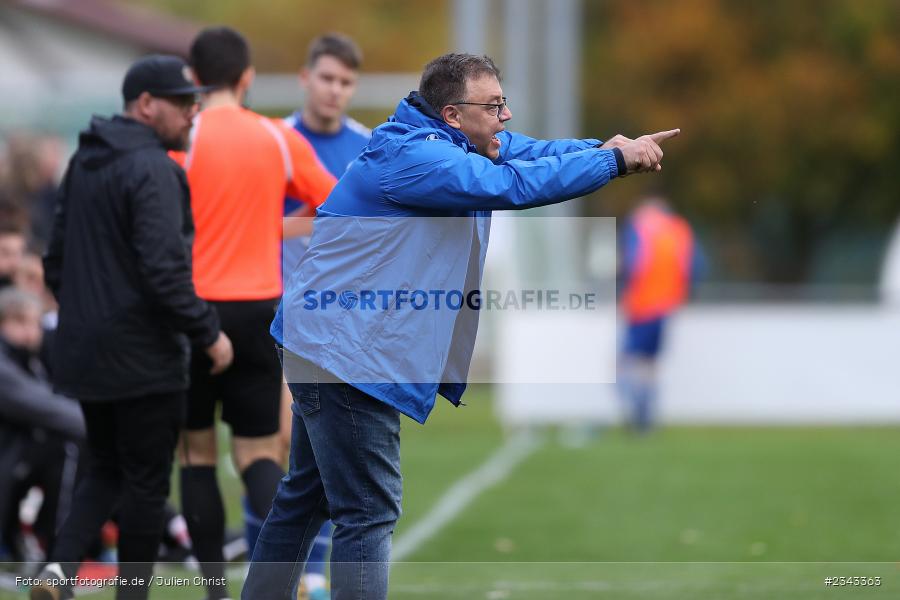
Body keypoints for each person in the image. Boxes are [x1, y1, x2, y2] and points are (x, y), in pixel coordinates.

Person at [242, 52, 679, 600]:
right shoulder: (417, 158)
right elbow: (513, 186)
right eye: (494, 105)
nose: (506, 115)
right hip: (344, 354)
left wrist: (606, 149)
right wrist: (615, 165)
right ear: (451, 113)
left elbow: (529, 154)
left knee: (306, 497)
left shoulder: (447, 142)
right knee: (368, 512)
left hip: (327, 341)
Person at [30, 54, 233, 600]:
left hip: (84, 350)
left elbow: (56, 259)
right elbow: (164, 272)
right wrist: (207, 331)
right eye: (184, 103)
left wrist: (84, 314)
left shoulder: (85, 162)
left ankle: (58, 568)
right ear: (147, 105)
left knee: (104, 466)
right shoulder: (154, 169)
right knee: (146, 482)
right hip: (143, 355)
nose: (194, 114)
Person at [176, 27, 335, 600]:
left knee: (195, 454)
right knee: (259, 454)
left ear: (191, 78)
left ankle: (216, 590)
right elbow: (335, 201)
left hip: (192, 311)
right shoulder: (274, 138)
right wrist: (271, 224)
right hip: (257, 307)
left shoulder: (181, 137)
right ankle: (282, 581)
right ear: (246, 78)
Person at [260, 33, 370, 600]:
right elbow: (253, 228)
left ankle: (308, 572)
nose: (335, 90)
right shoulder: (274, 143)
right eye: (326, 78)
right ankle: (289, 567)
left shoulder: (367, 146)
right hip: (277, 315)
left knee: (326, 452)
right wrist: (313, 219)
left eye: (346, 82)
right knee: (280, 443)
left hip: (341, 324)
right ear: (305, 79)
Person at [0, 288, 84, 563]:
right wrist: (103, 427)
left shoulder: (31, 359)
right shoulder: (7, 363)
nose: (30, 331)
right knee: (68, 447)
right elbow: (41, 406)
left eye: (34, 323)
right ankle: (60, 554)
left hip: (15, 458)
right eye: (19, 321)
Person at [617, 196, 703, 432]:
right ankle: (646, 417)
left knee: (630, 361)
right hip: (666, 306)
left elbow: (633, 265)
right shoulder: (678, 229)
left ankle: (639, 415)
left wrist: (621, 289)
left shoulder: (639, 227)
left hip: (640, 306)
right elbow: (693, 266)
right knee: (650, 362)